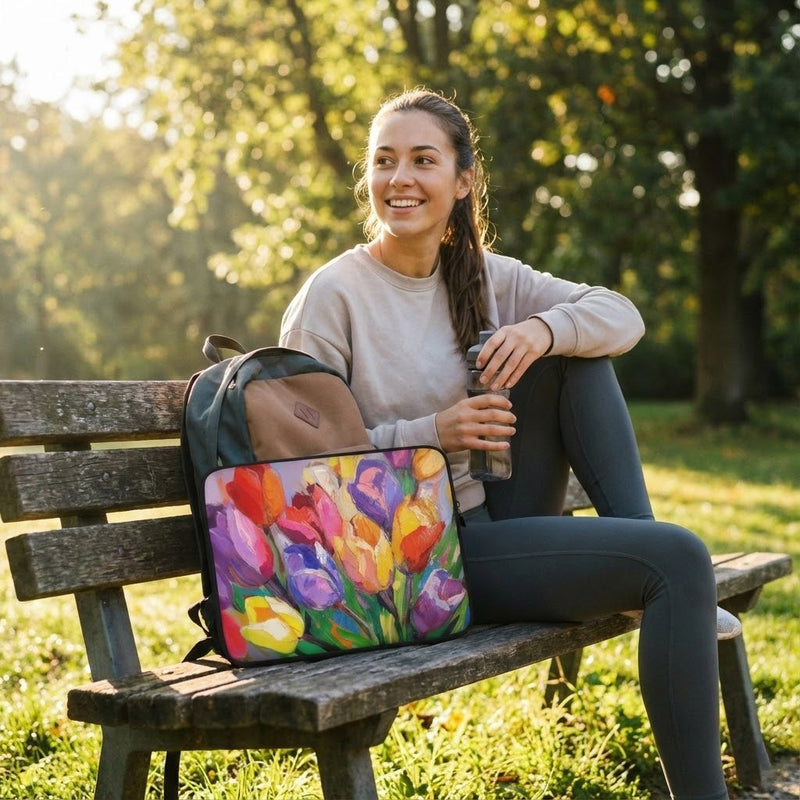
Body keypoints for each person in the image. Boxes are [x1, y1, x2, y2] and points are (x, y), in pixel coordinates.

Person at [280, 88, 732, 800]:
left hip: (491, 522)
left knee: (577, 349)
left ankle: (648, 560)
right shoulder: (334, 295)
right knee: (678, 560)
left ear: (462, 183)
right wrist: (435, 433)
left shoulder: (485, 276)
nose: (400, 178)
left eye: (423, 160)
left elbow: (619, 315)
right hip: (403, 558)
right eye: (384, 161)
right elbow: (301, 473)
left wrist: (541, 331)